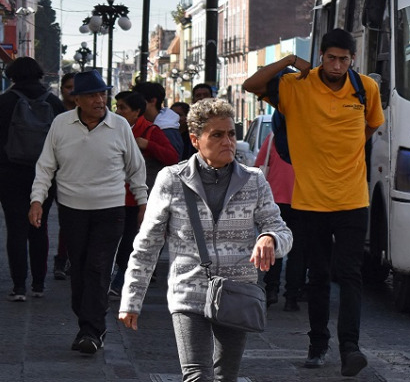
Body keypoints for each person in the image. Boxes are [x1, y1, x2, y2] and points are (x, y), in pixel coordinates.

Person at [118, 98, 293, 382]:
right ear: (195, 140)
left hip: (237, 292)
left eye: (231, 134)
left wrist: (270, 238)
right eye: (217, 135)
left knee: (226, 377)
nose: (228, 141)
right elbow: (147, 244)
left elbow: (282, 230)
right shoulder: (172, 179)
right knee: (197, 375)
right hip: (189, 291)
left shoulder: (254, 180)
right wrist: (131, 300)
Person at [243, 28, 385, 377]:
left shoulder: (366, 89)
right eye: (331, 58)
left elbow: (369, 128)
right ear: (321, 55)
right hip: (309, 202)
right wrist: (290, 61)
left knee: (350, 275)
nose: (337, 65)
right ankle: (318, 343)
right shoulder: (295, 86)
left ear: (353, 59)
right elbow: (252, 85)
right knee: (318, 276)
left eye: (344, 59)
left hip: (352, 199)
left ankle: (350, 347)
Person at [28, 69, 147, 354]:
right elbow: (46, 166)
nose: (100, 99)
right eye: (92, 94)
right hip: (73, 209)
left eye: (102, 93)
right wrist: (36, 199)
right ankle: (88, 322)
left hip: (111, 209)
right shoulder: (61, 124)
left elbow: (135, 167)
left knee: (98, 266)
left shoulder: (119, 126)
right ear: (76, 99)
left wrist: (143, 202)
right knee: (79, 270)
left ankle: (91, 330)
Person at [0, 57, 66, 301]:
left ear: (13, 75)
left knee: (16, 228)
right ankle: (38, 284)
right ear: (39, 74)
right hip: (45, 175)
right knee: (40, 227)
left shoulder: (5, 101)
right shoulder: (54, 103)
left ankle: (19, 287)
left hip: (10, 174)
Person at [108, 92, 179, 299]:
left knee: (130, 243)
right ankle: (119, 282)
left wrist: (148, 145)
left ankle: (123, 283)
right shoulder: (114, 130)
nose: (118, 111)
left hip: (140, 198)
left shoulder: (150, 131)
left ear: (137, 112)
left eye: (123, 108)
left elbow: (172, 156)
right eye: (117, 107)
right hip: (114, 196)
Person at [254, 132, 307, 311]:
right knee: (297, 251)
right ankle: (292, 296)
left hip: (275, 198)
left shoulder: (274, 137)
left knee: (274, 246)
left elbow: (259, 164)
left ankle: (271, 290)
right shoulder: (311, 136)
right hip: (303, 199)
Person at [53, 72, 78, 280]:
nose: (71, 90)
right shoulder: (54, 109)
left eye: (75, 87)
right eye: (68, 86)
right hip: (54, 170)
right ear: (62, 88)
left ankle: (67, 258)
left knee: (71, 220)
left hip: (76, 173)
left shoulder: (91, 114)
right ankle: (61, 260)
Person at [132, 81, 184, 158]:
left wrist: (148, 146)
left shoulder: (167, 128)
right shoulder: (145, 122)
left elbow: (174, 160)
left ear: (153, 101)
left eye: (139, 101)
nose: (135, 104)